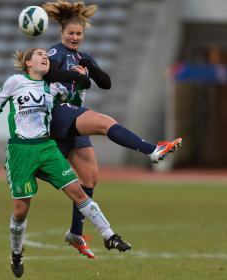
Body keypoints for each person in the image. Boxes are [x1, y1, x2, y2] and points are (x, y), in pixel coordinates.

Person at [41, 0, 182, 259]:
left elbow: (105, 83)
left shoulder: (83, 56)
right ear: (62, 33)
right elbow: (48, 75)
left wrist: (90, 68)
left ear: (83, 35)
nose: (74, 37)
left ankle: (75, 232)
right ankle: (153, 150)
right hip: (58, 113)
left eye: (78, 34)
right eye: (70, 33)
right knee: (106, 122)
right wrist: (76, 76)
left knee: (90, 178)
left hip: (73, 120)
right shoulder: (55, 52)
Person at [0, 48, 131, 278]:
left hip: (47, 148)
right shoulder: (15, 81)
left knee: (78, 191)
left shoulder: (53, 87)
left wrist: (80, 80)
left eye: (44, 55)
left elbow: (75, 103)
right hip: (21, 151)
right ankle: (16, 253)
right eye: (38, 54)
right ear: (28, 63)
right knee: (20, 210)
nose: (43, 56)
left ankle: (109, 235)